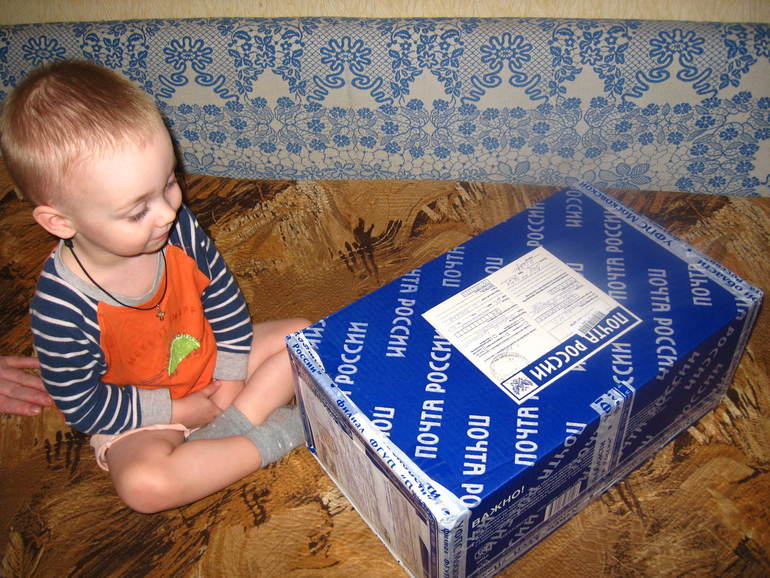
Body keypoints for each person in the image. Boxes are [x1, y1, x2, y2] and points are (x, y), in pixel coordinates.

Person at [0, 59, 309, 513]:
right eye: (136, 211)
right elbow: (83, 406)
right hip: (140, 413)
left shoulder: (175, 228)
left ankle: (226, 430)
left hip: (209, 363)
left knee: (304, 335)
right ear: (60, 222)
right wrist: (177, 412)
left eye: (168, 183)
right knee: (144, 487)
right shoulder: (59, 308)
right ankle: (280, 434)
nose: (167, 212)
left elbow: (223, 301)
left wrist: (228, 379)